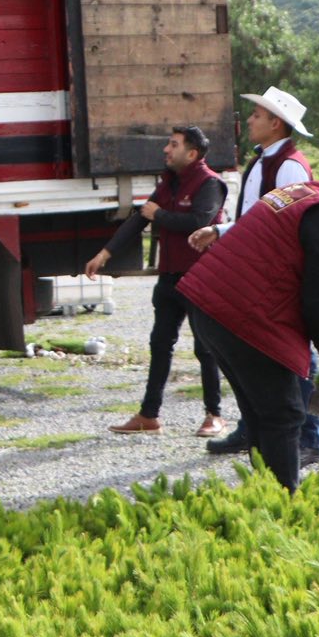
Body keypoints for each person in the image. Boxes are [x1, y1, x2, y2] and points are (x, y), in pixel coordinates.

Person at [177, 172, 319, 491]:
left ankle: (261, 498)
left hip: (210, 303)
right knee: (284, 414)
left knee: (260, 413)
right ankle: (284, 507)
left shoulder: (308, 193)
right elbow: (317, 297)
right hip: (242, 312)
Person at [202, 86, 319, 463]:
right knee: (254, 352)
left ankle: (308, 438)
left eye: (257, 115)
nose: (250, 120)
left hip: (277, 276)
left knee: (296, 355)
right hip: (259, 273)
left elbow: (288, 225)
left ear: (276, 122)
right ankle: (253, 427)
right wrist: (220, 232)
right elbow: (254, 218)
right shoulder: (264, 161)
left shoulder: (288, 166)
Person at [84, 126, 227, 437]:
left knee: (206, 348)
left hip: (201, 278)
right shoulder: (169, 183)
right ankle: (149, 415)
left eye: (173, 145)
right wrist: (105, 254)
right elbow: (139, 220)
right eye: (168, 143)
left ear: (192, 153)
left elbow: (199, 222)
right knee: (160, 345)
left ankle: (214, 414)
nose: (166, 149)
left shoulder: (210, 184)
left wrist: (159, 214)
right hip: (170, 278)